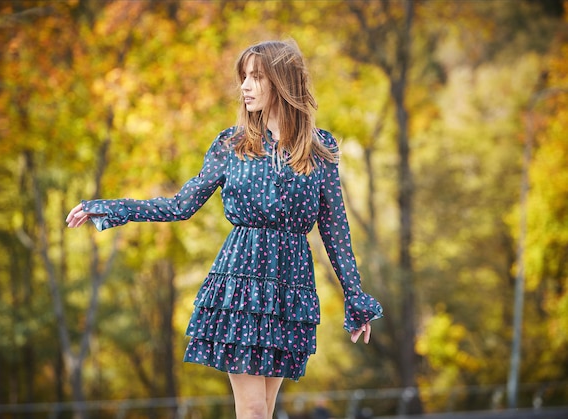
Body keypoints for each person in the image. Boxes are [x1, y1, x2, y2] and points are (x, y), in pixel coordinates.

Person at [66, 39, 383, 419]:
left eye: (256, 77)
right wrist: (108, 208)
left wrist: (355, 297)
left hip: (290, 291)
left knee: (263, 409)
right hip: (242, 285)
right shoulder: (232, 145)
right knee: (251, 409)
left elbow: (335, 230)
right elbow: (180, 206)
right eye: (243, 77)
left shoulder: (320, 150)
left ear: (283, 81)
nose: (245, 87)